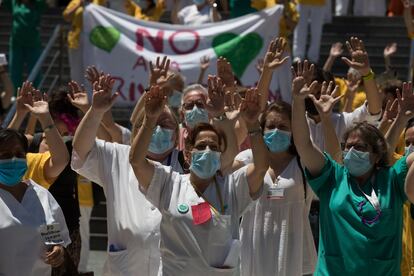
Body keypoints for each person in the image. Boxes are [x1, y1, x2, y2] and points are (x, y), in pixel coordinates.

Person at [129, 81, 269, 274]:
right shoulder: (169, 183)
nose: (208, 151)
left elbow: (261, 168)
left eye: (214, 147)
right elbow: (137, 162)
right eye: (201, 146)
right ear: (187, 153)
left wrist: (253, 125)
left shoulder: (232, 187)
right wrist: (150, 120)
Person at [291, 56, 414, 275]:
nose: (351, 152)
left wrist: (402, 120)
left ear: (376, 156)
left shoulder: (392, 179)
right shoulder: (332, 177)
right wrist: (298, 101)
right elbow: (303, 144)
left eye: (360, 148)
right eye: (347, 147)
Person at [72, 73, 186, 275]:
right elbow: (81, 151)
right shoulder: (117, 157)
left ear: (177, 136)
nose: (157, 129)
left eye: (165, 124)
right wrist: (95, 111)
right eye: (152, 122)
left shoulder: (188, 165)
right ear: (138, 130)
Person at [235, 101, 317, 276]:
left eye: (283, 126)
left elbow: (335, 162)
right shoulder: (248, 159)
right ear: (262, 129)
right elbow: (223, 167)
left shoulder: (304, 163)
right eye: (271, 126)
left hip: (293, 253)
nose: (276, 131)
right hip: (253, 252)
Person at [0, 129, 71, 276]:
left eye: (19, 155)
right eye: (5, 155)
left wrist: (58, 249)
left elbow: (53, 235)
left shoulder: (41, 195)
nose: (13, 160)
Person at [2, 0, 45, 90]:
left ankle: (35, 95)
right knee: (15, 72)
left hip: (33, 43)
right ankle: (15, 96)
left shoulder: (37, 4)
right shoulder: (14, 2)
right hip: (16, 43)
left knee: (35, 72)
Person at [63, 0, 106, 84]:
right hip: (77, 40)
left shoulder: (99, 1)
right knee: (76, 70)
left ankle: (93, 92)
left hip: (95, 40)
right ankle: (78, 93)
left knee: (93, 68)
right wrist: (79, 5)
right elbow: (66, 16)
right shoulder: (76, 1)